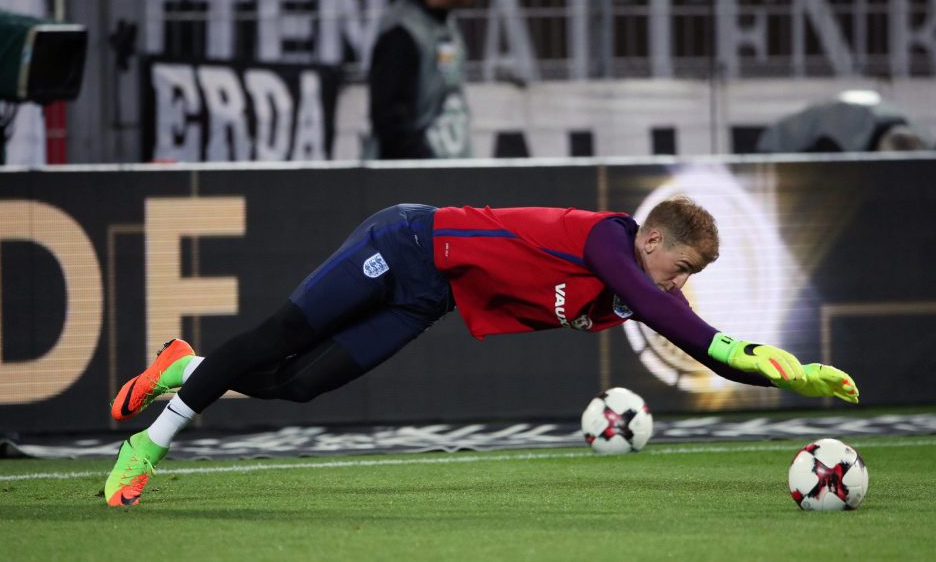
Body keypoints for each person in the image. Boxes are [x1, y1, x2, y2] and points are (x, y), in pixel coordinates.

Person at [104, 197, 859, 506]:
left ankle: (182, 365)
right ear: (653, 240)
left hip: (424, 297)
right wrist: (749, 345)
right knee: (278, 339)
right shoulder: (608, 239)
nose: (679, 284)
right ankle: (151, 440)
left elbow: (690, 334)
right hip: (403, 242)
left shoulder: (635, 287)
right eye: (682, 267)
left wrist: (782, 372)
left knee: (300, 384)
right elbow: (674, 312)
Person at [366, 0, 477, 159]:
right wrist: (423, 163)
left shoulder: (448, 24)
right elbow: (389, 116)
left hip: (450, 168)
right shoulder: (401, 32)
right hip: (411, 175)